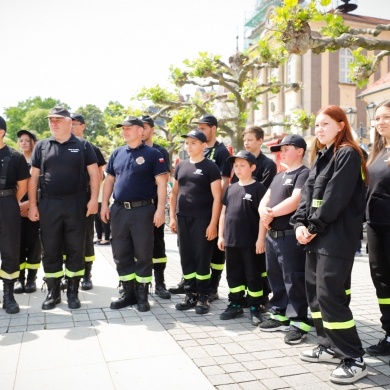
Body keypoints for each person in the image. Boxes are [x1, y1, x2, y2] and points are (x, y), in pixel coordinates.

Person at [290, 105, 368, 385]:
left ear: (341, 125)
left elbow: (336, 197)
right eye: (316, 125)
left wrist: (312, 227)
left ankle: (354, 357)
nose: (318, 129)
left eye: (324, 124)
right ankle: (329, 346)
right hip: (315, 237)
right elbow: (307, 195)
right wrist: (299, 223)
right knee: (315, 294)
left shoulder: (347, 153)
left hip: (335, 239)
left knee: (330, 295)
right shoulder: (322, 156)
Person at [28, 107, 99, 310]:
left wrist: (94, 199)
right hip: (48, 204)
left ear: (69, 122)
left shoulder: (83, 145)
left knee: (76, 248)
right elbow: (33, 178)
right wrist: (33, 205)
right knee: (50, 249)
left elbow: (95, 174)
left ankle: (73, 293)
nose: (54, 123)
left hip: (76, 203)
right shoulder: (41, 146)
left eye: (58, 119)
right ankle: (53, 292)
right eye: (51, 120)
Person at [101, 116, 167, 312]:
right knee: (121, 252)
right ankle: (127, 292)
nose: (125, 131)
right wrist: (105, 204)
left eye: (129, 128)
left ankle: (142, 295)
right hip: (119, 209)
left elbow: (162, 184)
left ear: (141, 131)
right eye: (123, 128)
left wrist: (160, 209)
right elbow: (110, 181)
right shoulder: (117, 153)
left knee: (143, 252)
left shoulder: (153, 154)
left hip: (143, 210)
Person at [169, 114, 231, 301]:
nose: (189, 146)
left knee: (202, 259)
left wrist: (213, 224)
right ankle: (190, 294)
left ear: (204, 146)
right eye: (187, 143)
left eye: (193, 143)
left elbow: (217, 196)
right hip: (183, 218)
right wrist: (172, 217)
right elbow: (174, 193)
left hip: (203, 219)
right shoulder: (181, 166)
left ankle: (204, 296)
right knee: (186, 257)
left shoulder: (211, 167)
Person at [258, 134, 311, 345]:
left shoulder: (304, 173)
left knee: (294, 279)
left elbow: (296, 200)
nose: (282, 153)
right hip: (272, 236)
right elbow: (265, 198)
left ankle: (299, 322)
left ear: (300, 150)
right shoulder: (278, 175)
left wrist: (270, 214)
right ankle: (279, 314)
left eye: (286, 148)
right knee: (275, 276)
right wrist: (264, 211)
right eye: (280, 150)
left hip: (290, 236)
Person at [218, 150, 267, 325]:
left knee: (253, 275)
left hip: (250, 242)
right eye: (235, 165)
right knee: (233, 274)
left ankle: (256, 306)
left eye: (242, 165)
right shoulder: (231, 188)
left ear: (253, 167)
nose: (238, 169)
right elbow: (224, 213)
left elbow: (263, 217)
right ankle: (235, 303)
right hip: (231, 241)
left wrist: (261, 239)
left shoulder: (259, 188)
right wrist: (220, 236)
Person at [232, 125, 277, 308]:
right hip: (240, 222)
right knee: (241, 265)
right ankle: (240, 298)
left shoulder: (268, 165)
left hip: (258, 219)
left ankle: (262, 297)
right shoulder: (239, 163)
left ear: (260, 140)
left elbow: (264, 193)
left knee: (258, 264)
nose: (247, 143)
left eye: (250, 139)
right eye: (245, 140)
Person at [70, 112, 106, 290]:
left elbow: (99, 175)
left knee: (85, 237)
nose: (72, 126)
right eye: (70, 123)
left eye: (76, 123)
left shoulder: (90, 147)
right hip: (65, 200)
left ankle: (86, 274)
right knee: (65, 238)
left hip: (84, 198)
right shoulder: (60, 146)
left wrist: (93, 199)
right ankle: (68, 275)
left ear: (83, 126)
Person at [365, 100, 390, 357]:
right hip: (374, 226)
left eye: (386, 117)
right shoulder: (377, 152)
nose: (380, 122)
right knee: (381, 281)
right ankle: (389, 332)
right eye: (378, 118)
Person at [0, 116, 30, 313]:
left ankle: (8, 295)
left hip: (6, 203)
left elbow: (23, 186)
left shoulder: (15, 156)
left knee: (10, 249)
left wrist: (8, 200)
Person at [141, 115, 171, 299]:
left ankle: (160, 282)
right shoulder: (133, 150)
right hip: (136, 208)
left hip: (153, 204)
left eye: (144, 127)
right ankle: (139, 284)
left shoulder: (160, 151)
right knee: (137, 246)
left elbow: (163, 178)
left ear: (152, 129)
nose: (141, 131)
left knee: (158, 245)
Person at [14, 130, 42, 294]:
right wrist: (17, 205)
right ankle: (19, 279)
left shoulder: (40, 161)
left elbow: (43, 185)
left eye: (27, 140)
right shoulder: (15, 159)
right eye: (21, 140)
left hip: (34, 207)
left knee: (33, 243)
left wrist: (31, 204)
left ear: (33, 142)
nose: (23, 143)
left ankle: (32, 279)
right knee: (17, 243)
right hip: (16, 209)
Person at [94, 174, 111, 245]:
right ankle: (99, 237)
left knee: (104, 220)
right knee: (97, 221)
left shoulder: (102, 175)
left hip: (102, 201)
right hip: (96, 201)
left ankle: (107, 238)